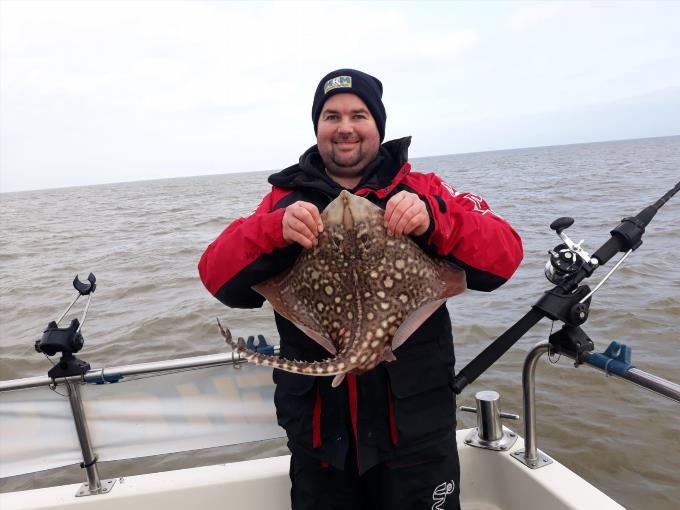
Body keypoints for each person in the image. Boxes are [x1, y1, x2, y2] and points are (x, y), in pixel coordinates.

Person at [198, 69, 523, 510]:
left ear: (378, 125)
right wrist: (275, 228)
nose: (345, 127)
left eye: (359, 114)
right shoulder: (282, 198)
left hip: (415, 438)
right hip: (322, 442)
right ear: (317, 128)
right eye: (331, 116)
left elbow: (506, 254)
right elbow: (215, 273)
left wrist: (434, 219)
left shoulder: (423, 188)